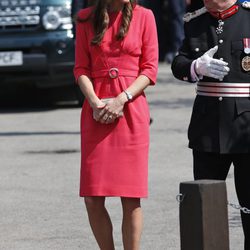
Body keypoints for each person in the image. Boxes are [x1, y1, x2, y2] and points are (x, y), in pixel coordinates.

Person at [74, 0, 158, 249]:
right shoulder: (85, 18)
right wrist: (95, 102)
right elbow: (80, 68)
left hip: (131, 109)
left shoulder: (145, 17)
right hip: (96, 110)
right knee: (92, 198)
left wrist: (122, 99)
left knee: (131, 198)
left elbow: (150, 69)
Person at [171, 0, 250, 249]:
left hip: (245, 126)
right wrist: (195, 67)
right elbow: (179, 62)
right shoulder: (196, 20)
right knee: (205, 207)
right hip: (208, 126)